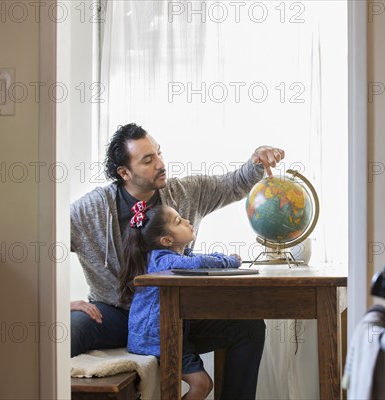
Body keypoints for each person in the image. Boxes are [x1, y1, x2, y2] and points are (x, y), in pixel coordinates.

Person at [69, 124, 284, 383]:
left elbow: (232, 184)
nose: (160, 164)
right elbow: (41, 245)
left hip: (174, 315)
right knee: (70, 328)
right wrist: (60, 305)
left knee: (248, 327)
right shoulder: (91, 209)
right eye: (148, 160)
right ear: (124, 172)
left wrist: (257, 160)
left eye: (159, 153)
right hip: (114, 314)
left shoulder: (184, 192)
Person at [121, 202, 258, 399]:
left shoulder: (176, 256)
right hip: (155, 338)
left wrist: (224, 259)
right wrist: (231, 261)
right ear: (167, 240)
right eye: (178, 221)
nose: (187, 221)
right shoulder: (163, 260)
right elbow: (199, 263)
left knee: (247, 328)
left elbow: (199, 259)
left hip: (170, 329)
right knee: (201, 384)